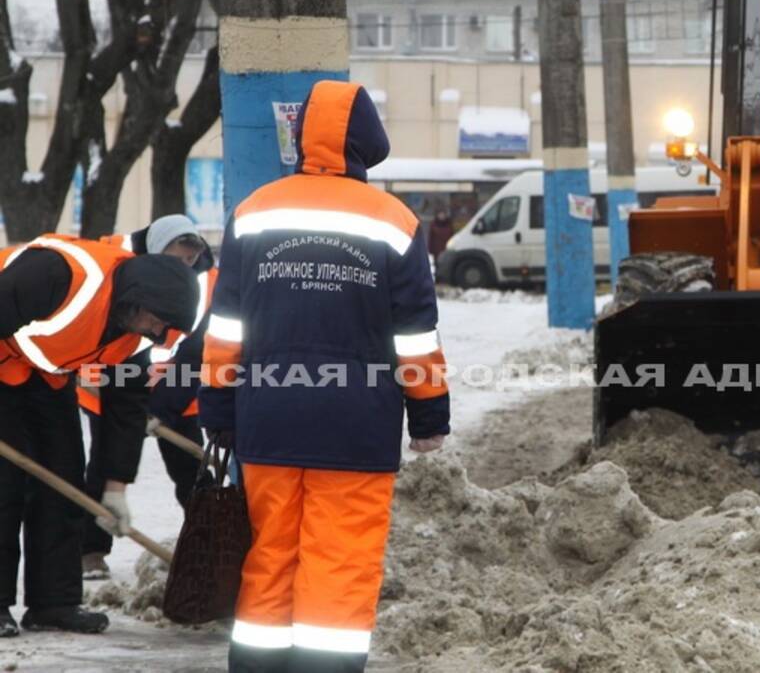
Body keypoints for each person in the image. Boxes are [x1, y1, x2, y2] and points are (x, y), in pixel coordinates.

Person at [200, 80, 450, 672]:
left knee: (269, 558)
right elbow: (413, 334)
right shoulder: (395, 221)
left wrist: (217, 404)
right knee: (338, 566)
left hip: (268, 419)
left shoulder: (255, 211)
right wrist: (429, 413)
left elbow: (226, 324)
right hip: (356, 427)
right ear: (367, 143)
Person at [0, 237, 198, 636]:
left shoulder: (132, 337)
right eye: (157, 323)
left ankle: (53, 603)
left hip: (48, 378)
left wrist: (115, 487)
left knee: (64, 477)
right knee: (5, 486)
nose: (158, 335)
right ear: (140, 300)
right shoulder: (60, 273)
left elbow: (125, 410)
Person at [80, 215, 216, 580]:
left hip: (175, 390)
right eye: (176, 257)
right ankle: (91, 550)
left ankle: (209, 545)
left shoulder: (208, 283)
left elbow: (197, 351)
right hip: (113, 382)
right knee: (105, 464)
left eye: (190, 260)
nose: (184, 267)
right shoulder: (114, 257)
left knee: (193, 472)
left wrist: (162, 407)